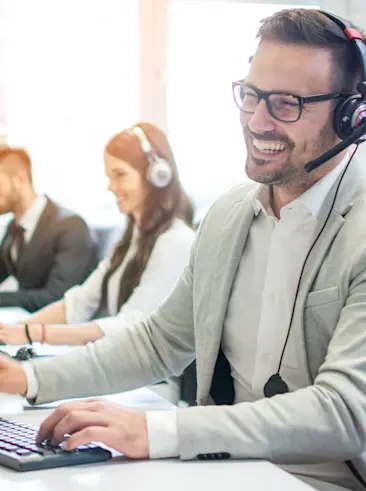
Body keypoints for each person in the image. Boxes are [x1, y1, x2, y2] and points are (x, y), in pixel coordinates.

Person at [2, 8, 366, 491]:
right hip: (229, 467)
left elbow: (344, 409)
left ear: (352, 115)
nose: (257, 121)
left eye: (287, 103)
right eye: (251, 95)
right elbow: (157, 343)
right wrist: (27, 380)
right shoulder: (228, 216)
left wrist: (159, 430)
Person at [0, 123, 195, 349]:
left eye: (119, 175)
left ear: (157, 174)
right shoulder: (131, 239)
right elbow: (80, 302)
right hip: (123, 365)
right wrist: (13, 330)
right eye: (109, 176)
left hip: (156, 382)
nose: (110, 187)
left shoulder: (175, 242)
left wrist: (32, 333)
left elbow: (129, 325)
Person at [0, 146, 97, 312]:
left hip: (59, 331)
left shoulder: (70, 226)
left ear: (20, 179)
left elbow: (57, 296)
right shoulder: (14, 228)